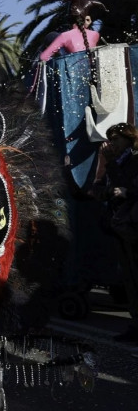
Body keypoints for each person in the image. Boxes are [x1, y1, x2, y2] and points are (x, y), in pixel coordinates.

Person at [96, 123, 138, 343]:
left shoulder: (134, 160)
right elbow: (108, 188)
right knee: (129, 277)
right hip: (120, 226)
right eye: (110, 138)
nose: (112, 143)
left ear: (129, 140)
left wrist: (127, 191)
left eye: (117, 139)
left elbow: (126, 186)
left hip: (133, 226)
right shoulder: (116, 161)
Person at [39, 0, 104, 61]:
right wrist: (86, 25)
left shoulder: (65, 36)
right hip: (92, 70)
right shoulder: (95, 34)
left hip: (74, 70)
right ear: (85, 18)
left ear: (68, 19)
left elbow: (44, 57)